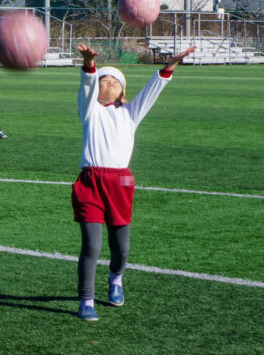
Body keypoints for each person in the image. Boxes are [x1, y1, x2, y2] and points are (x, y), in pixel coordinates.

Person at [71, 43, 196, 321]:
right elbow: (86, 88)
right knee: (91, 246)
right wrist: (89, 65)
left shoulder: (130, 113)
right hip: (91, 182)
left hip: (121, 182)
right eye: (104, 79)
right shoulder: (89, 111)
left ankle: (115, 278)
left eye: (115, 81)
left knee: (121, 248)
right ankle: (86, 300)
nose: (109, 81)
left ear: (123, 93)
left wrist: (171, 65)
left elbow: (152, 90)